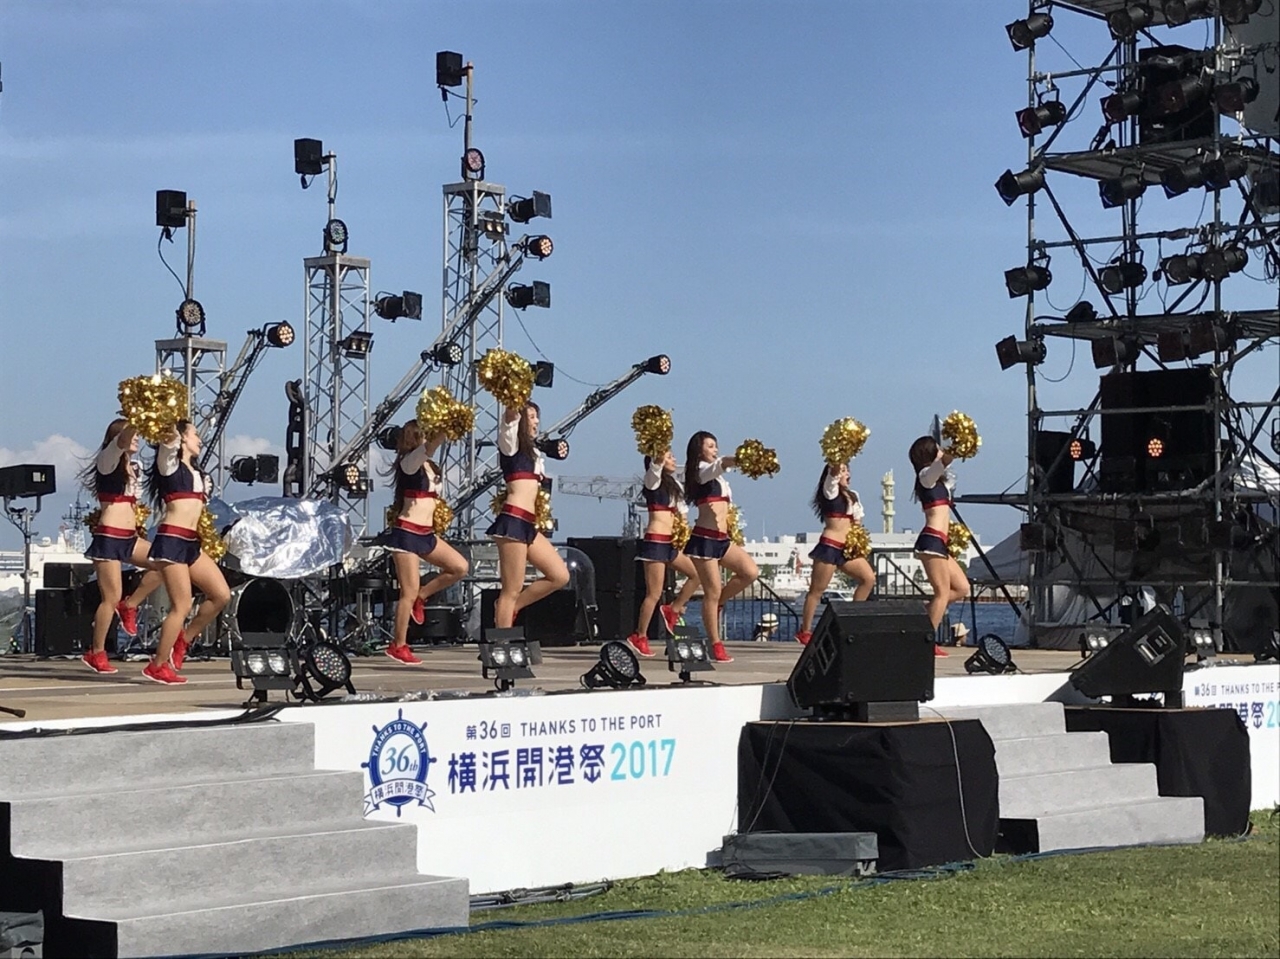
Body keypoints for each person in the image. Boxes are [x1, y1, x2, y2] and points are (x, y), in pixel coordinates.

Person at [142, 420, 231, 684]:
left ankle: (185, 639)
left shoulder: (198, 474)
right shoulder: (169, 464)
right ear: (181, 439)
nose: (199, 440)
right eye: (194, 434)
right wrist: (171, 419)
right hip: (171, 541)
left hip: (191, 543)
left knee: (221, 595)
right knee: (181, 606)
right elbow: (168, 438)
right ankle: (158, 665)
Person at [79, 419, 164, 674]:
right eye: (134, 435)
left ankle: (130, 605)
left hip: (130, 537)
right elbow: (122, 440)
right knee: (110, 597)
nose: (137, 438)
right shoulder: (108, 461)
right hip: (108, 538)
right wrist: (137, 418)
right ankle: (96, 652)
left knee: (166, 563)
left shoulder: (134, 467)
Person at [384, 420, 469, 665]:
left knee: (459, 567)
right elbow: (430, 447)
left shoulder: (430, 466)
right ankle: (398, 645)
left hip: (426, 533)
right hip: (407, 534)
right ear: (415, 436)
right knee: (407, 592)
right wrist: (446, 425)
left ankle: (423, 595)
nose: (429, 436)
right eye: (425, 433)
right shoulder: (409, 462)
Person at [486, 401, 569, 629]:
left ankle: (509, 608)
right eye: (531, 417)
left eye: (536, 416)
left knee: (559, 576)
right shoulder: (510, 443)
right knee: (511, 589)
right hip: (513, 521)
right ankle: (503, 643)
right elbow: (509, 416)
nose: (536, 421)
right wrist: (515, 394)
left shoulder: (532, 451)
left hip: (528, 524)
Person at [682, 431, 759, 663]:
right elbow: (721, 464)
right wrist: (739, 459)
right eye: (710, 446)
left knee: (750, 572)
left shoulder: (720, 480)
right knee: (712, 592)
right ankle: (715, 643)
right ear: (699, 450)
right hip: (705, 540)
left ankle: (718, 604)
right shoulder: (700, 472)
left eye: (716, 446)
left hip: (723, 539)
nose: (714, 449)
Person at [627, 448, 701, 657]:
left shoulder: (674, 484)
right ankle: (640, 635)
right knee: (654, 593)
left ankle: (673, 609)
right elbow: (655, 467)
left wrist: (684, 532)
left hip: (670, 543)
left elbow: (682, 511)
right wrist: (658, 452)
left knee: (696, 574)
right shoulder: (653, 481)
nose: (673, 459)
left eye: (672, 456)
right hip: (655, 542)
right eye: (669, 456)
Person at [796, 462, 874, 645]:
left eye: (848, 470)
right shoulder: (830, 491)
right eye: (843, 470)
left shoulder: (853, 495)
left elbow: (857, 523)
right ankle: (805, 631)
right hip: (830, 546)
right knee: (817, 590)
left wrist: (858, 543)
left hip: (848, 549)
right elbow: (832, 474)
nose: (847, 473)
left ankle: (852, 621)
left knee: (868, 579)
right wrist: (837, 462)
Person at [909, 435, 970, 658]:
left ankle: (921, 618)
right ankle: (926, 642)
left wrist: (958, 447)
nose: (940, 450)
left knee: (962, 588)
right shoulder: (925, 477)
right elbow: (944, 461)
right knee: (942, 593)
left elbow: (947, 466)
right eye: (937, 448)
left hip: (940, 543)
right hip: (931, 541)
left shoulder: (939, 481)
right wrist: (955, 445)